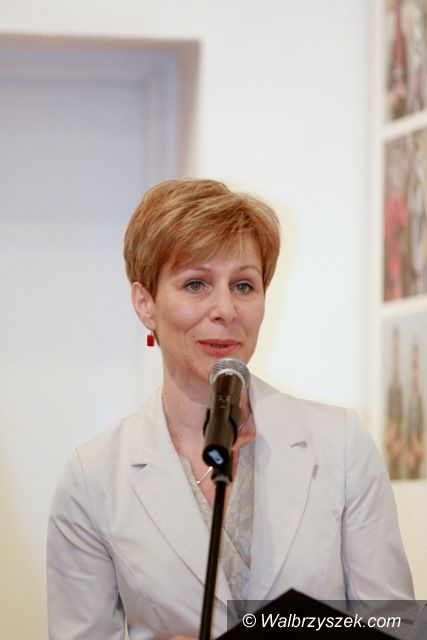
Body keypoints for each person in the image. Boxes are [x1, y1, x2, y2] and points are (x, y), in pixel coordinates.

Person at [47, 178, 414, 640]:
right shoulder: (94, 477)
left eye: (243, 285)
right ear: (145, 303)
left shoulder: (339, 443)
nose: (225, 309)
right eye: (196, 284)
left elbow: (398, 628)